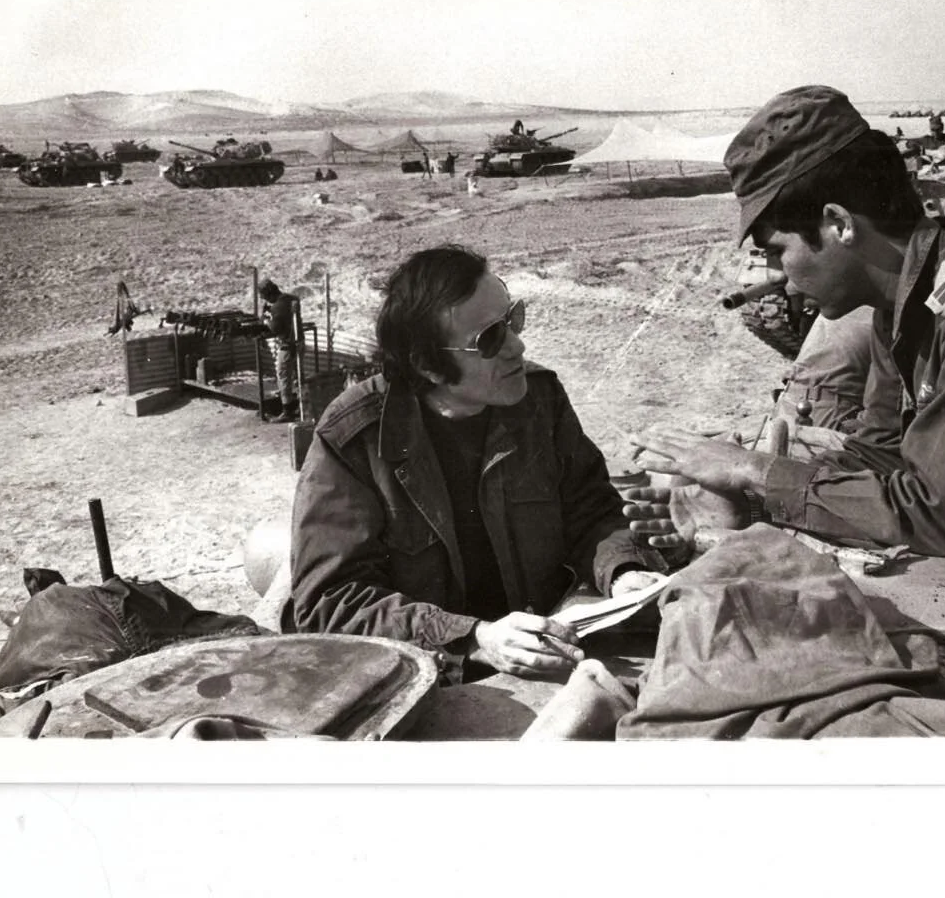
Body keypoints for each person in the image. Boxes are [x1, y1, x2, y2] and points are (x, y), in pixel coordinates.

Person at [624, 84, 945, 578]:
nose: (781, 277)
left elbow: (936, 515)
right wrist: (751, 499)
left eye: (778, 250)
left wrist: (751, 471)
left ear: (839, 223)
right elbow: (881, 456)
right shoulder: (901, 298)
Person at [285, 246, 666, 684]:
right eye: (489, 339)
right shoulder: (354, 437)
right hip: (433, 674)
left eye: (513, 320)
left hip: (547, 648)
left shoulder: (538, 398)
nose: (517, 346)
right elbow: (330, 601)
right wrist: (474, 638)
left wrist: (624, 570)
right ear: (428, 365)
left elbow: (592, 509)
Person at [258, 278, 300, 423]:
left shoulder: (277, 307)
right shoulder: (290, 299)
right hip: (298, 343)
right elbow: (289, 306)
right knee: (297, 377)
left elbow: (275, 329)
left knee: (283, 377)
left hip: (287, 346)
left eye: (265, 297)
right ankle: (299, 405)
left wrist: (266, 319)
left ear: (270, 295)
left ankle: (287, 411)